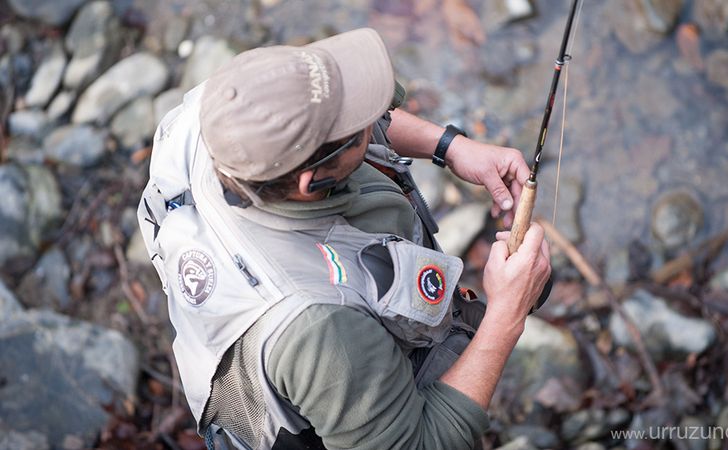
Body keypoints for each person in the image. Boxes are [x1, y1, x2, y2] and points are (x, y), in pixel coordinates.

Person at [138, 28, 551, 450]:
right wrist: (507, 314)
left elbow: (343, 120)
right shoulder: (322, 329)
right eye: (356, 128)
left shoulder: (225, 111)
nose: (374, 117)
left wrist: (449, 145)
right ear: (310, 181)